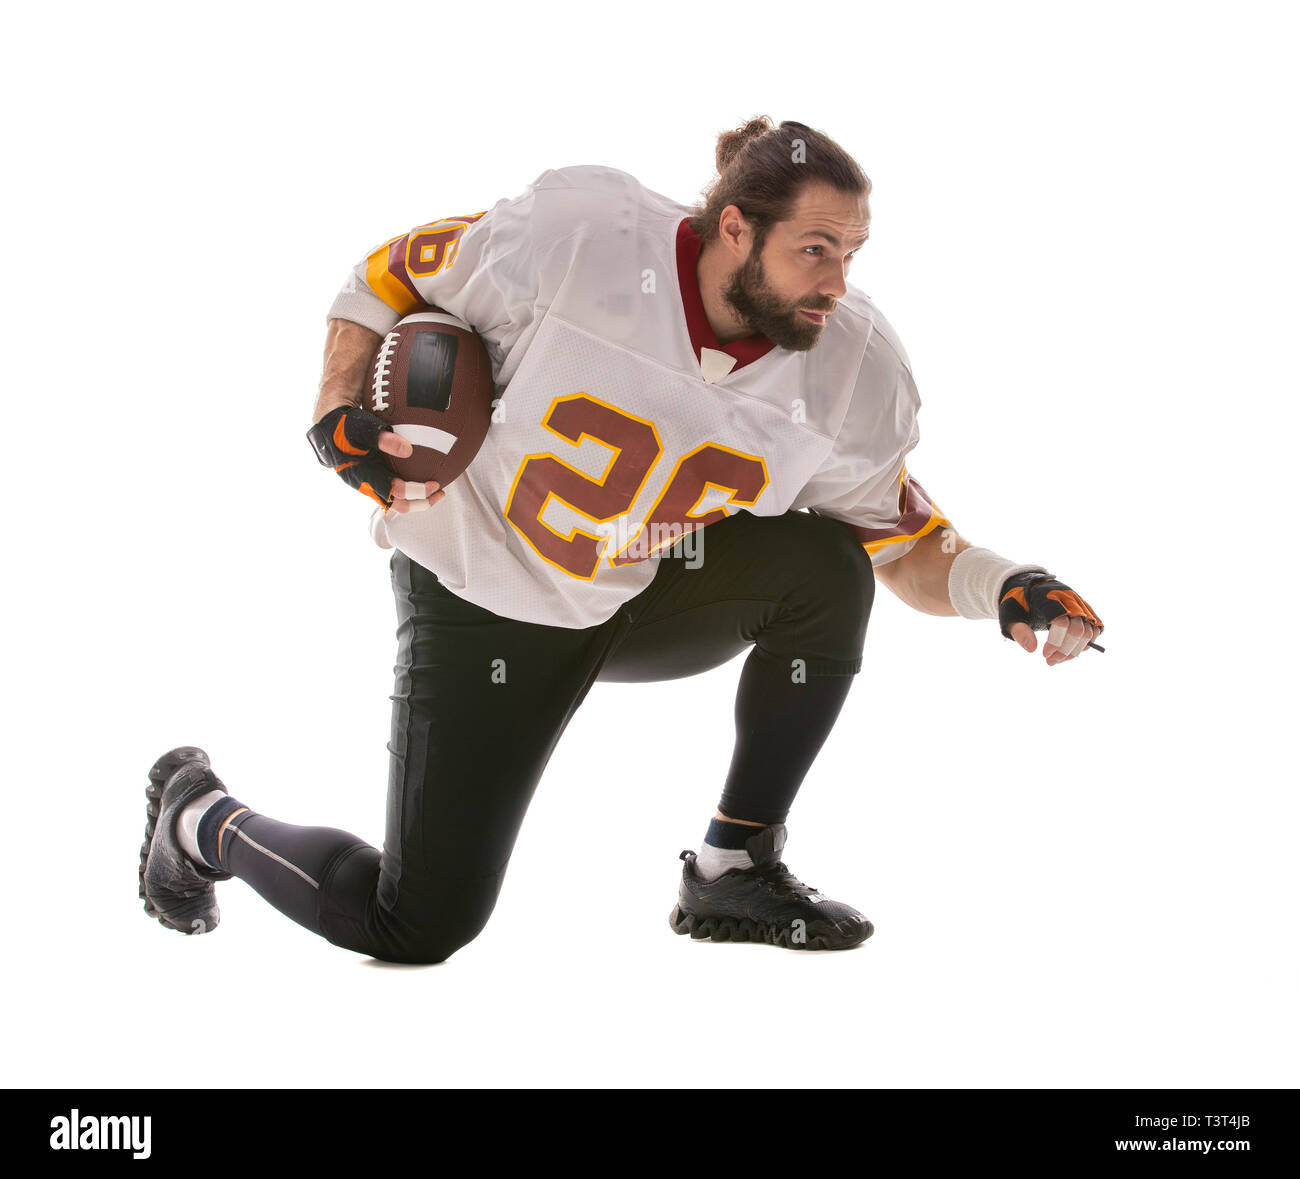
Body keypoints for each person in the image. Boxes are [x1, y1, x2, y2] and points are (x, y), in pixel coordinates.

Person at [138, 117, 1104, 962]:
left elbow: (899, 538)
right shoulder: (580, 238)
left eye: (853, 251)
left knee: (825, 569)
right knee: (418, 924)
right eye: (816, 248)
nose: (838, 280)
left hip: (642, 586)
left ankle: (735, 865)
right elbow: (385, 274)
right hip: (483, 590)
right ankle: (197, 815)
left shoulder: (851, 365)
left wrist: (1008, 582)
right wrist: (337, 406)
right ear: (737, 226)